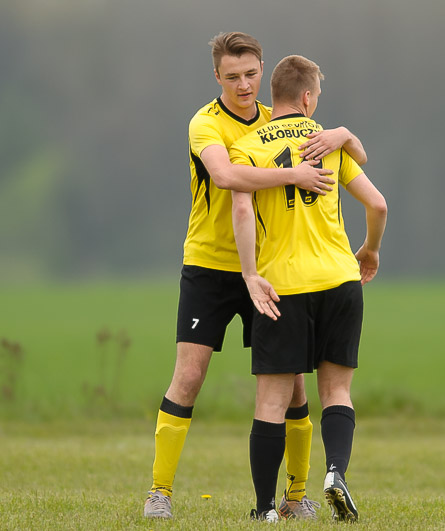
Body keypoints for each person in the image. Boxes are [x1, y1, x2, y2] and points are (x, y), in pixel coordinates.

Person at [143, 32, 369, 520]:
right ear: (217, 77)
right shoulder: (205, 123)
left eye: (250, 74)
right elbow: (225, 177)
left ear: (263, 70)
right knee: (189, 376)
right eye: (232, 77)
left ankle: (295, 498)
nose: (243, 85)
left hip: (268, 271)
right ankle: (159, 492)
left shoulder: (275, 122)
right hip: (210, 265)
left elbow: (338, 151)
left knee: (294, 388)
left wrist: (342, 133)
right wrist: (292, 175)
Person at [230, 55, 387, 522]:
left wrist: (250, 273)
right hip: (340, 280)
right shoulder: (327, 142)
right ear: (307, 97)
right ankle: (335, 472)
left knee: (271, 401)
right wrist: (370, 250)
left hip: (283, 287)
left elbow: (242, 211)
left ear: (272, 94)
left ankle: (265, 509)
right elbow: (378, 205)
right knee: (336, 390)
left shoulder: (247, 146)